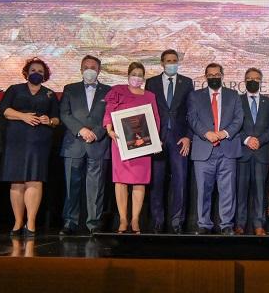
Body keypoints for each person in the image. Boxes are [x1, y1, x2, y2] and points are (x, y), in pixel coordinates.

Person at [0, 57, 60, 237]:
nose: (36, 74)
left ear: (45, 75)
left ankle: (31, 222)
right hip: (16, 140)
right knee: (16, 181)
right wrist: (23, 116)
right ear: (27, 72)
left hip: (39, 141)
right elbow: (4, 110)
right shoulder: (14, 89)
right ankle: (18, 222)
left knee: (34, 179)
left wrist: (48, 120)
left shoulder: (49, 94)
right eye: (33, 70)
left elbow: (56, 119)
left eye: (40, 72)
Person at [104, 62, 160, 234]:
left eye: (140, 74)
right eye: (133, 74)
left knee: (139, 181)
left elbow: (155, 118)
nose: (136, 77)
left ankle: (135, 220)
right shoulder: (117, 91)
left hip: (142, 145)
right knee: (120, 181)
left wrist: (154, 141)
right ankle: (122, 219)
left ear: (143, 78)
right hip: (120, 143)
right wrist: (109, 129)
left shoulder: (150, 95)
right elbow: (109, 112)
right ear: (128, 75)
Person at [188, 63, 243, 235]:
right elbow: (192, 118)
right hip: (204, 149)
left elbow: (238, 119)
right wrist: (206, 133)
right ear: (205, 77)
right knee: (203, 190)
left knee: (228, 190)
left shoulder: (234, 96)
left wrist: (224, 133)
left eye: (217, 74)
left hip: (227, 148)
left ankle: (226, 225)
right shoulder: (195, 96)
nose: (214, 77)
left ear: (222, 75)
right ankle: (204, 224)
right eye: (210, 75)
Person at [59, 55, 112, 235]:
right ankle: (69, 222)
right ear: (81, 70)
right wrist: (81, 130)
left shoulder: (109, 91)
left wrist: (97, 133)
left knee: (96, 187)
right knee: (71, 185)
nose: (90, 69)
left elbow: (110, 116)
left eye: (93, 67)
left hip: (98, 144)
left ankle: (93, 224)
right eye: (86, 66)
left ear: (99, 70)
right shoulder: (70, 89)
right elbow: (64, 114)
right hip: (74, 144)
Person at [145, 49, 194, 234]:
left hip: (180, 140)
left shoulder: (187, 83)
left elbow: (192, 112)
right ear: (162, 63)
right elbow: (146, 111)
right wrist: (150, 137)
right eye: (168, 60)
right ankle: (157, 221)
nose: (172, 63)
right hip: (157, 138)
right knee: (156, 182)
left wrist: (188, 136)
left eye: (174, 60)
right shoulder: (152, 83)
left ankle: (176, 222)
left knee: (180, 181)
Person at [235, 67, 269, 236]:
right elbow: (234, 125)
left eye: (256, 78)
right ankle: (239, 224)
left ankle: (259, 224)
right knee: (241, 191)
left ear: (261, 81)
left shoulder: (268, 102)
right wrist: (246, 139)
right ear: (244, 81)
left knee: (260, 191)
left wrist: (260, 140)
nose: (253, 81)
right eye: (249, 78)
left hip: (261, 152)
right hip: (243, 152)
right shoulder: (237, 101)